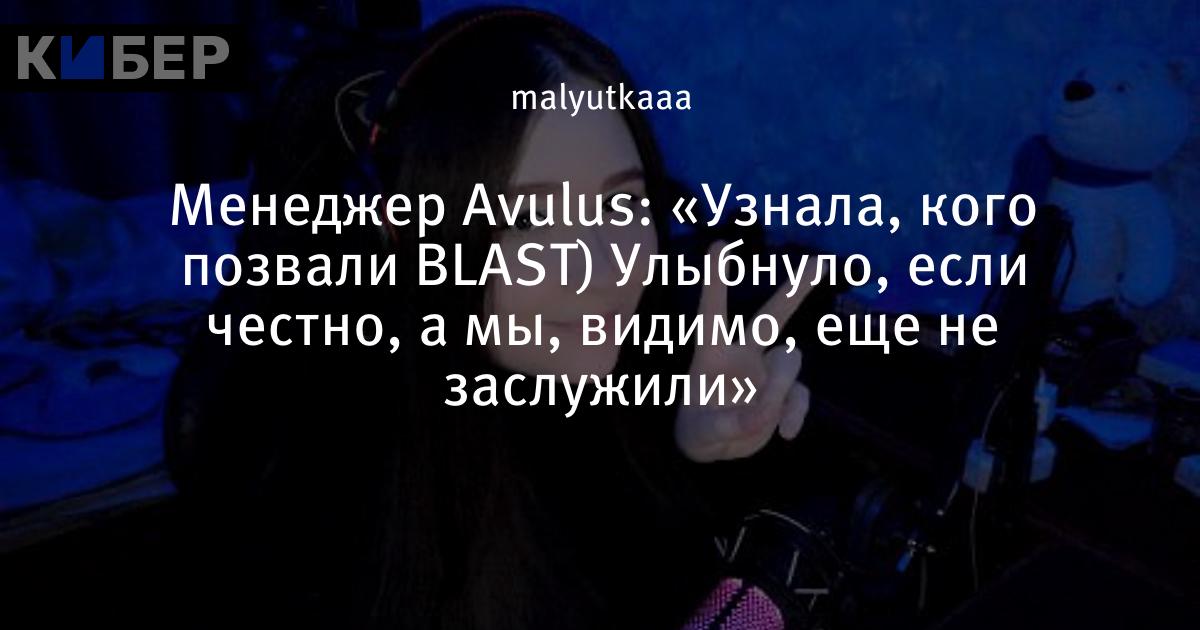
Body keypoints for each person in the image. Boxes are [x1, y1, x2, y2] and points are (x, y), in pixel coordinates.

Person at [167, 8, 814, 629]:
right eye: (529, 219)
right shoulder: (334, 522)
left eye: (621, 205)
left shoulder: (616, 385)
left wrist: (707, 459)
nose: (603, 267)